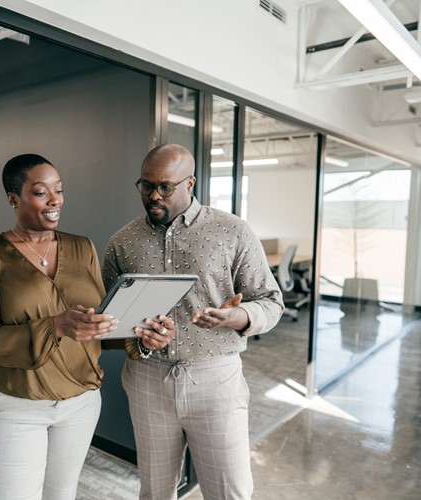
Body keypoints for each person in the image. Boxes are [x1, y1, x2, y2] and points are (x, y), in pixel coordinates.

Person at [0, 153, 165, 500]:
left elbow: (99, 328)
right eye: (41, 192)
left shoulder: (82, 246)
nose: (55, 199)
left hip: (81, 403)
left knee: (61, 494)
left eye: (59, 190)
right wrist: (55, 326)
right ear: (14, 199)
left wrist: (142, 338)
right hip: (16, 405)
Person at [102, 144, 284, 500]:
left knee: (229, 491)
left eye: (165, 187)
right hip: (147, 381)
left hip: (215, 379)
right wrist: (139, 340)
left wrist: (239, 316)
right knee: (155, 492)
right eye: (146, 185)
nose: (154, 196)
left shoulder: (232, 231)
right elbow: (108, 322)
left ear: (191, 183)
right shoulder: (122, 241)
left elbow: (272, 302)